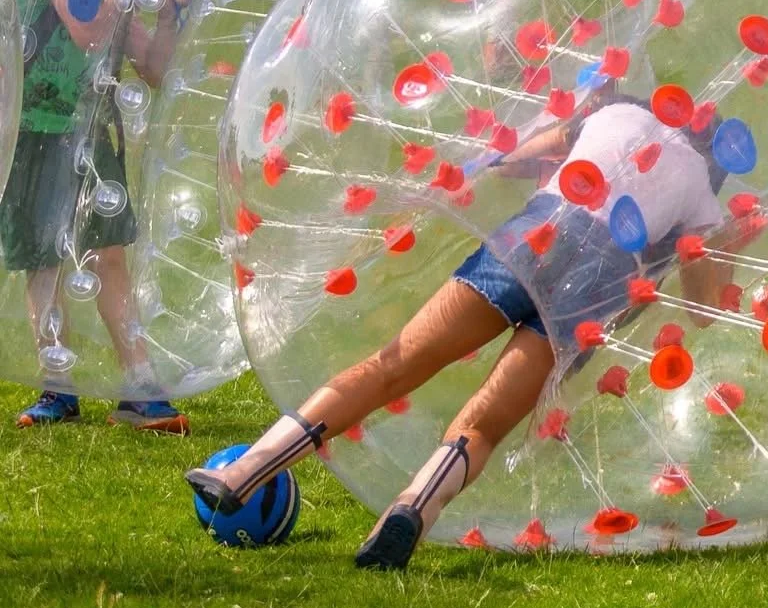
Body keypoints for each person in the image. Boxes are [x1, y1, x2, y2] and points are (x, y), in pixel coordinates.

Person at [186, 86, 737, 570]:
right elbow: (703, 309)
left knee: (394, 364)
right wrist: (733, 240)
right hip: (600, 283)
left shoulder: (615, 113)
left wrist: (501, 164)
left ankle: (245, 472)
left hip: (535, 234)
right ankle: (410, 512)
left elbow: (517, 158)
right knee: (485, 421)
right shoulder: (703, 196)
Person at [7, 0, 196, 431]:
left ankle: (138, 389)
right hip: (34, 131)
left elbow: (155, 70)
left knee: (109, 256)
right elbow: (87, 30)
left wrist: (167, 12)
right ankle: (54, 385)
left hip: (93, 131)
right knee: (45, 259)